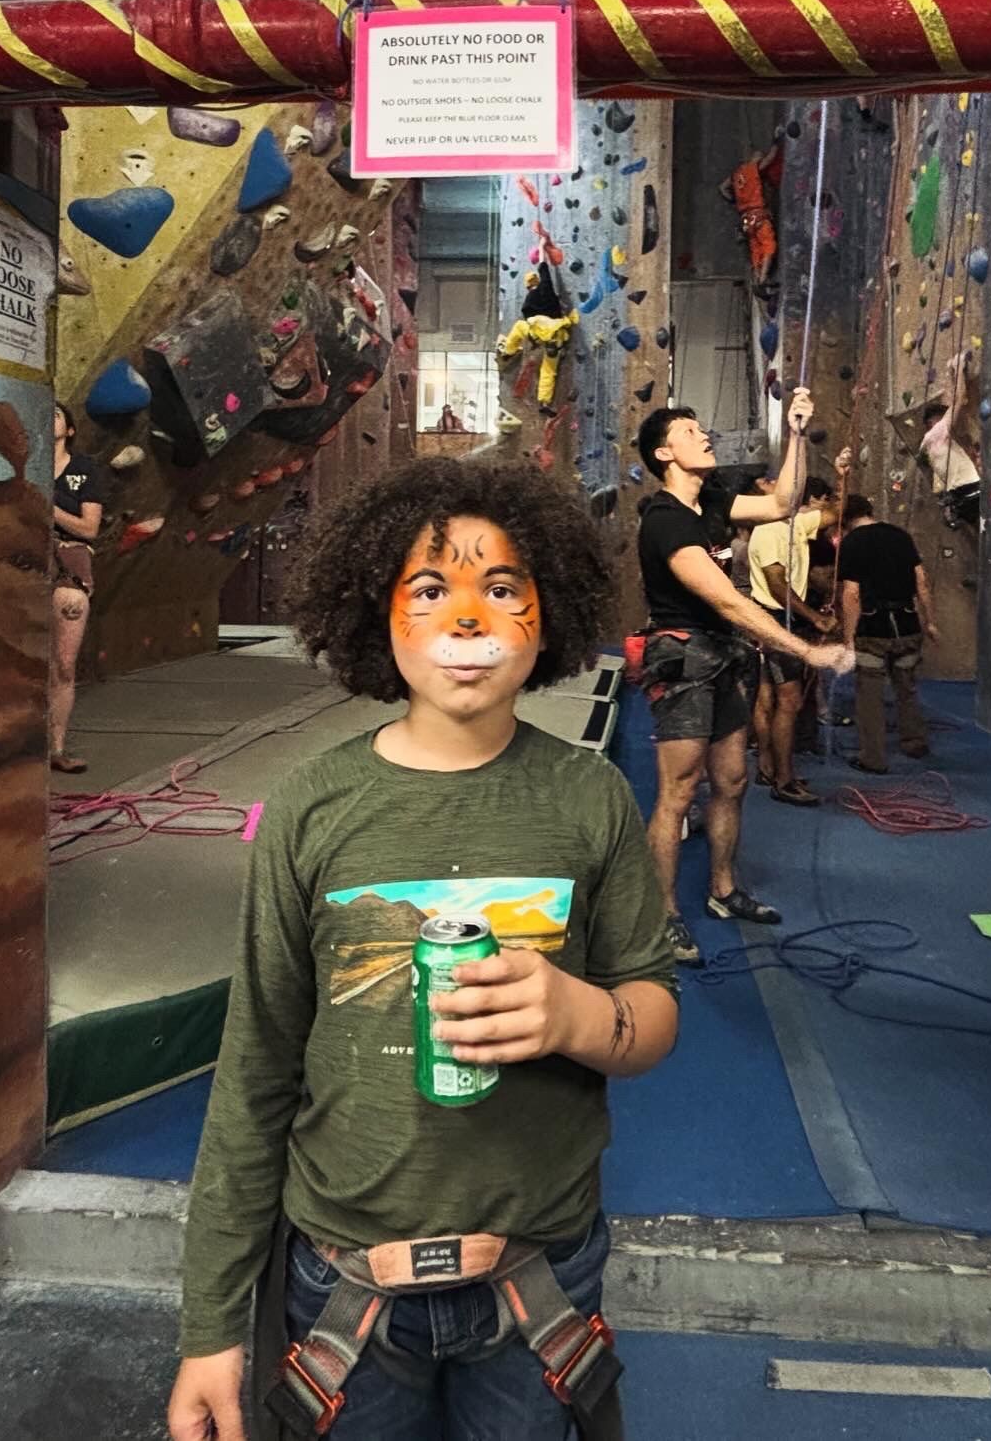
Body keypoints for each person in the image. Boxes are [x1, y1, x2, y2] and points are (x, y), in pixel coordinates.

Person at [167, 458, 678, 1441]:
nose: (469, 620)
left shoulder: (591, 797)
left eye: (503, 589)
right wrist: (211, 1330)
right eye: (431, 589)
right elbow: (255, 1070)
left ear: (549, 614)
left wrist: (579, 1014)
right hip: (344, 1284)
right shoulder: (312, 807)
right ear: (377, 610)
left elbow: (652, 1010)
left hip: (540, 1279)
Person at [635, 392, 854, 966]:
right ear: (664, 453)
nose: (704, 434)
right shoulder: (664, 520)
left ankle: (724, 890)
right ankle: (663, 915)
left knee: (731, 781)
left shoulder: (710, 502)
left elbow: (782, 502)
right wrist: (806, 650)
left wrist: (796, 434)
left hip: (725, 655)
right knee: (680, 791)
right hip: (684, 658)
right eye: (689, 431)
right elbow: (728, 602)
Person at [748, 477, 839, 806]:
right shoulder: (769, 530)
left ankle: (768, 767)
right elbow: (776, 584)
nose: (781, 482)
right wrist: (814, 617)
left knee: (768, 695)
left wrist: (840, 474)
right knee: (789, 701)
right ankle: (784, 781)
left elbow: (836, 513)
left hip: (774, 618)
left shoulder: (795, 524)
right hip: (776, 619)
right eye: (771, 481)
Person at [837, 494, 939, 775]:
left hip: (873, 628)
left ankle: (873, 757)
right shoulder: (900, 535)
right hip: (907, 623)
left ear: (844, 519)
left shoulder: (852, 543)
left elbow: (851, 594)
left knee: (869, 694)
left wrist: (848, 637)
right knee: (907, 688)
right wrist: (930, 621)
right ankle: (914, 742)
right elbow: (921, 581)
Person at [49, 401, 106, 774]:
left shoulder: (83, 470)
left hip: (69, 559)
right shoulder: (24, 463)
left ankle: (56, 747)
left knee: (64, 664)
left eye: (56, 414)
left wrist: (49, 508)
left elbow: (89, 528)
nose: (48, 418)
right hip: (27, 558)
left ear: (69, 430)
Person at [921, 348, 981, 531]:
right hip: (971, 490)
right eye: (944, 417)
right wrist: (959, 367)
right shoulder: (937, 433)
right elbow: (959, 399)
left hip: (960, 497)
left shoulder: (927, 445)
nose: (950, 419)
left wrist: (950, 374)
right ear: (934, 422)